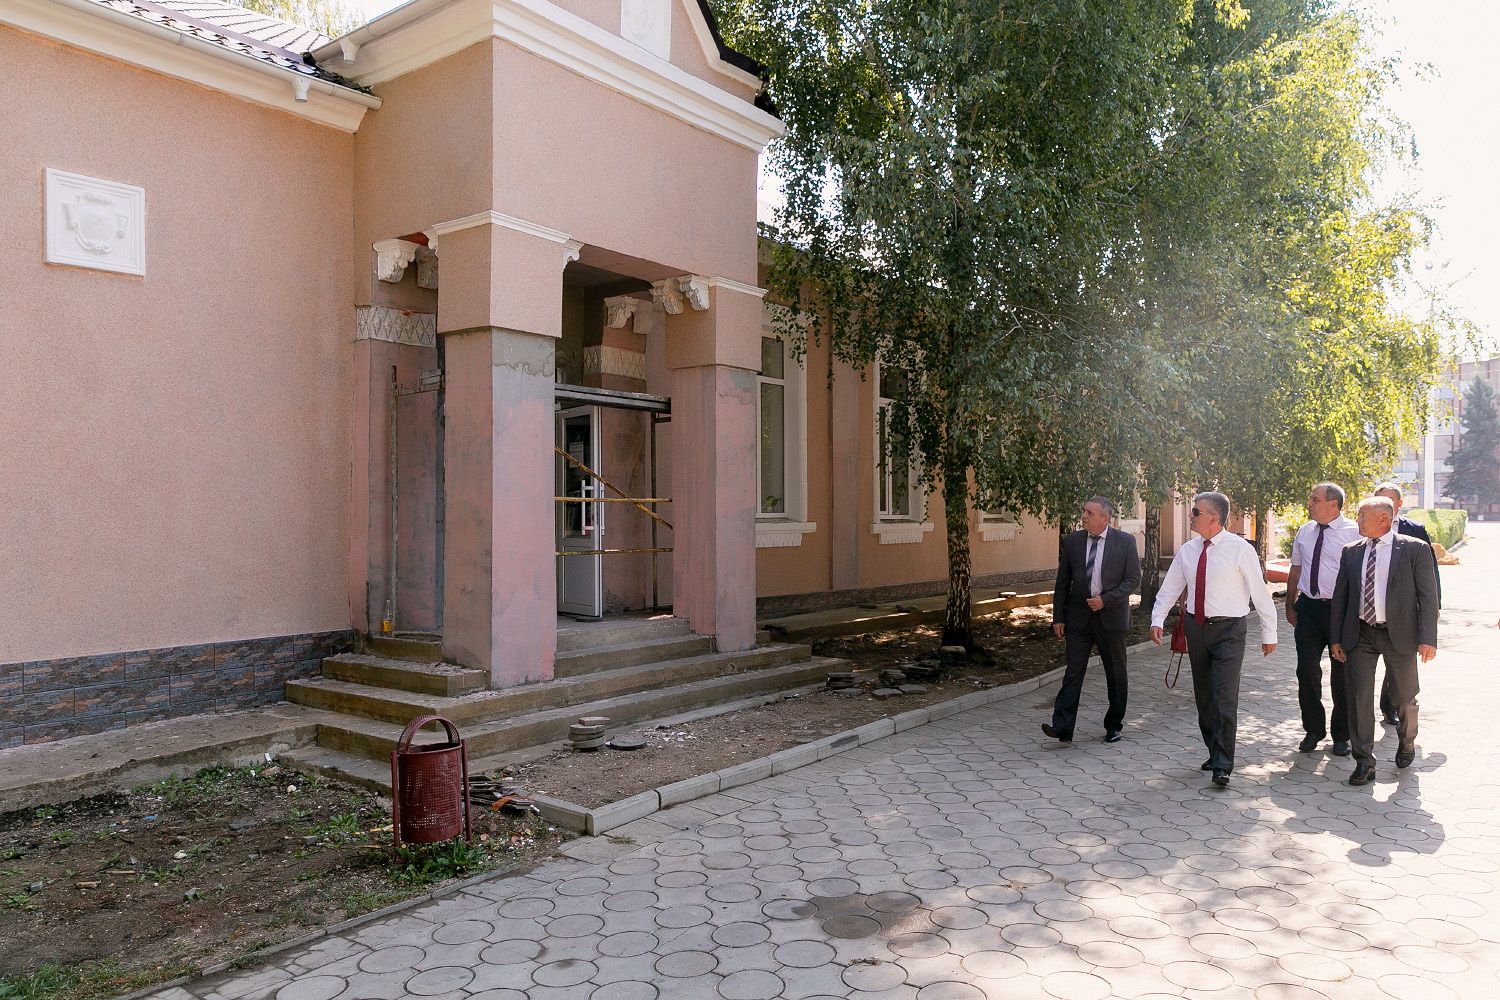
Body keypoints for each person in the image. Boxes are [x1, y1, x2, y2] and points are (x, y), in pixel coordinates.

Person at [1151, 491, 1277, 787]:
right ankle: (1213, 749)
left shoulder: (1240, 549)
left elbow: (1260, 593)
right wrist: (1157, 619)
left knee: (1224, 695)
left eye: (1195, 512)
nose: (1190, 515)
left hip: (1229, 631)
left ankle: (1223, 763)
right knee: (1205, 696)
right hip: (1196, 629)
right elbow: (1170, 588)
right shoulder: (1188, 550)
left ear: (1213, 518)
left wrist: (1269, 632)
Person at [1330, 496, 1438, 785]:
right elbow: (1341, 597)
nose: (1357, 520)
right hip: (1360, 634)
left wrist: (1428, 638)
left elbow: (1428, 597)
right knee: (1358, 698)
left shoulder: (1414, 549)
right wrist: (1336, 637)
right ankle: (1364, 761)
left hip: (1399, 634)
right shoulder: (1351, 552)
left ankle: (1407, 741)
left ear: (1383, 519)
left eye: (1362, 516)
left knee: (1405, 697)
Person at [1043, 496, 1142, 744]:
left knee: (1115, 674)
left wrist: (1105, 600)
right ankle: (1062, 727)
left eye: (1090, 513)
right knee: (1073, 672)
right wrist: (1058, 617)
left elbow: (1133, 579)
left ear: (1105, 518)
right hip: (1079, 619)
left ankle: (1114, 725)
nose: (1084, 516)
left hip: (1111, 618)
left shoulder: (1125, 542)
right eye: (1084, 511)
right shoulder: (1073, 541)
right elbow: (1063, 582)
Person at [1284, 483, 1360, 756]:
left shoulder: (1354, 532)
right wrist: (1290, 604)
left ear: (1333, 505)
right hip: (1308, 610)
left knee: (1342, 675)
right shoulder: (1305, 531)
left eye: (1314, 499)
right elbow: (1296, 568)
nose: (1309, 503)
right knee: (1306, 671)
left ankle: (1342, 735)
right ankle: (1313, 730)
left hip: (1340, 611)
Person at [1372, 483, 1441, 727]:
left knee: (1398, 661)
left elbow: (1430, 570)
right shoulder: (1364, 528)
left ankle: (1390, 705)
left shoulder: (1415, 530)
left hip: (1404, 608)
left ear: (1399, 504)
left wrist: (1434, 605)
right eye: (1378, 499)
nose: (1383, 504)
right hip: (1372, 607)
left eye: (1389, 500)